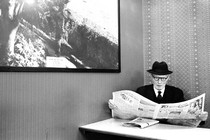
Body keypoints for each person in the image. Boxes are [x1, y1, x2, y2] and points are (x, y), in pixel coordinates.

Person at [109, 61, 208, 127]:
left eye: (163, 78)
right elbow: (131, 113)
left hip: (169, 133)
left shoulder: (176, 93)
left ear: (168, 78)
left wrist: (200, 118)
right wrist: (116, 107)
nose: (159, 82)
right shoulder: (141, 91)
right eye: (156, 78)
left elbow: (186, 114)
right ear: (151, 77)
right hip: (146, 132)